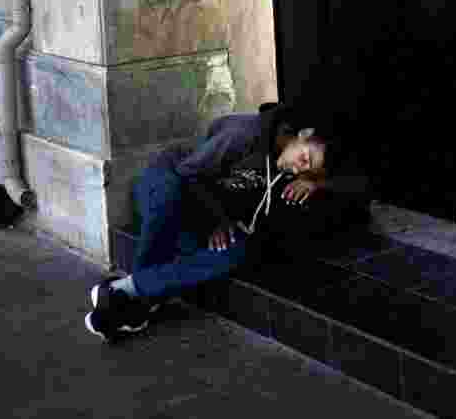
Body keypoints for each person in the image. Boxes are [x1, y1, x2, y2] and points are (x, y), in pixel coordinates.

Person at [84, 102, 368, 342]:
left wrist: (318, 184)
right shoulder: (243, 134)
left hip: (200, 214)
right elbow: (188, 174)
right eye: (304, 158)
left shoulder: (295, 168)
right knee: (168, 197)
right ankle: (135, 298)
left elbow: (360, 187)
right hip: (168, 179)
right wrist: (217, 222)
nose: (299, 168)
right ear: (302, 134)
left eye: (308, 170)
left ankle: (125, 294)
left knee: (236, 251)